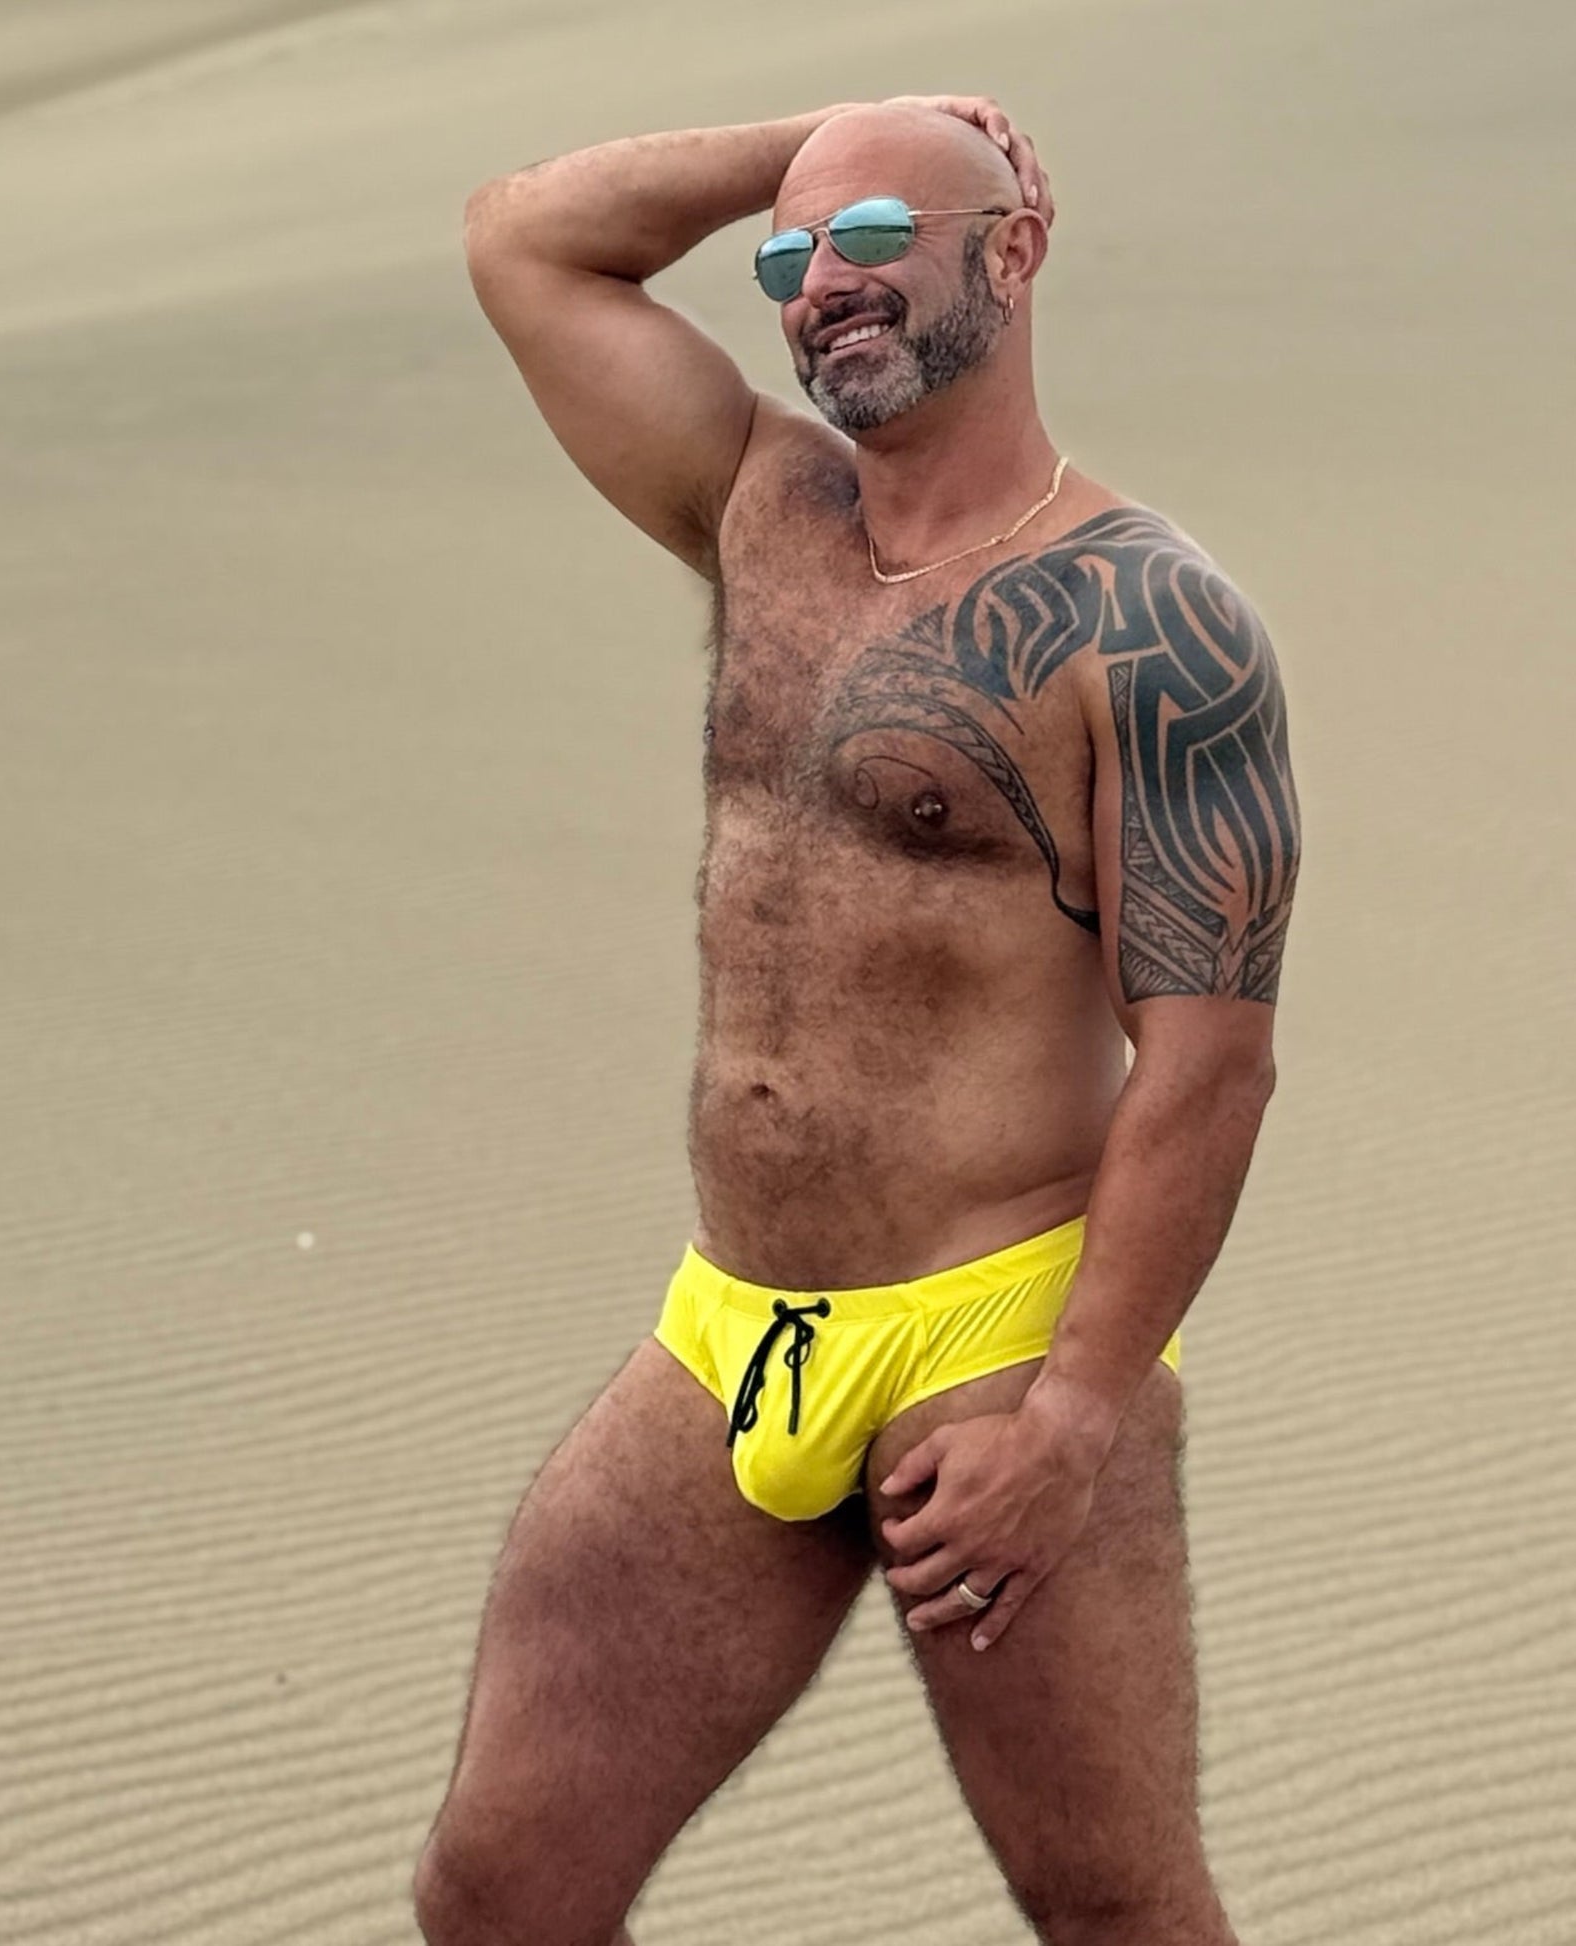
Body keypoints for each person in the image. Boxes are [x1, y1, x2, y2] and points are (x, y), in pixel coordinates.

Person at [417, 93, 1300, 1946]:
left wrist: (1070, 1414)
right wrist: (826, 140)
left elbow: (1208, 1061)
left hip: (995, 1337)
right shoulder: (760, 507)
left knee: (1115, 1911)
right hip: (734, 1325)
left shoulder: (1148, 622)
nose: (819, 289)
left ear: (1014, 248)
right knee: (499, 1892)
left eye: (874, 237)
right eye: (786, 263)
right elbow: (521, 237)